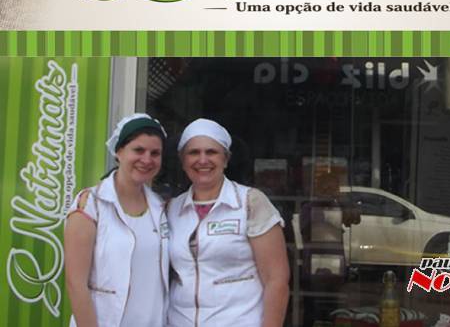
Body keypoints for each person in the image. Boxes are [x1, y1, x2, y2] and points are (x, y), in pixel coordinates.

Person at [168, 118, 290, 327]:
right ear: (183, 160)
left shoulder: (250, 203)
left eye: (211, 152)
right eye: (194, 152)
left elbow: (276, 279)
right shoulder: (171, 209)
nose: (202, 160)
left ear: (226, 159)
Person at [64, 113, 170, 327]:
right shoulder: (90, 204)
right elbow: (76, 285)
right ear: (119, 151)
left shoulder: (160, 208)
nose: (147, 160)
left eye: (155, 153)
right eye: (138, 150)